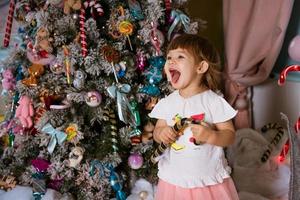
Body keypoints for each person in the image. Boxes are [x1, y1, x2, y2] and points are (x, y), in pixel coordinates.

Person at [149, 34, 239, 200]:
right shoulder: (168, 102)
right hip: (174, 181)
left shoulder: (213, 101)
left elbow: (230, 135)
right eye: (169, 57)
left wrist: (211, 135)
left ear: (201, 67)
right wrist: (161, 133)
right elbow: (157, 131)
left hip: (207, 181)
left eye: (180, 56)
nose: (171, 61)